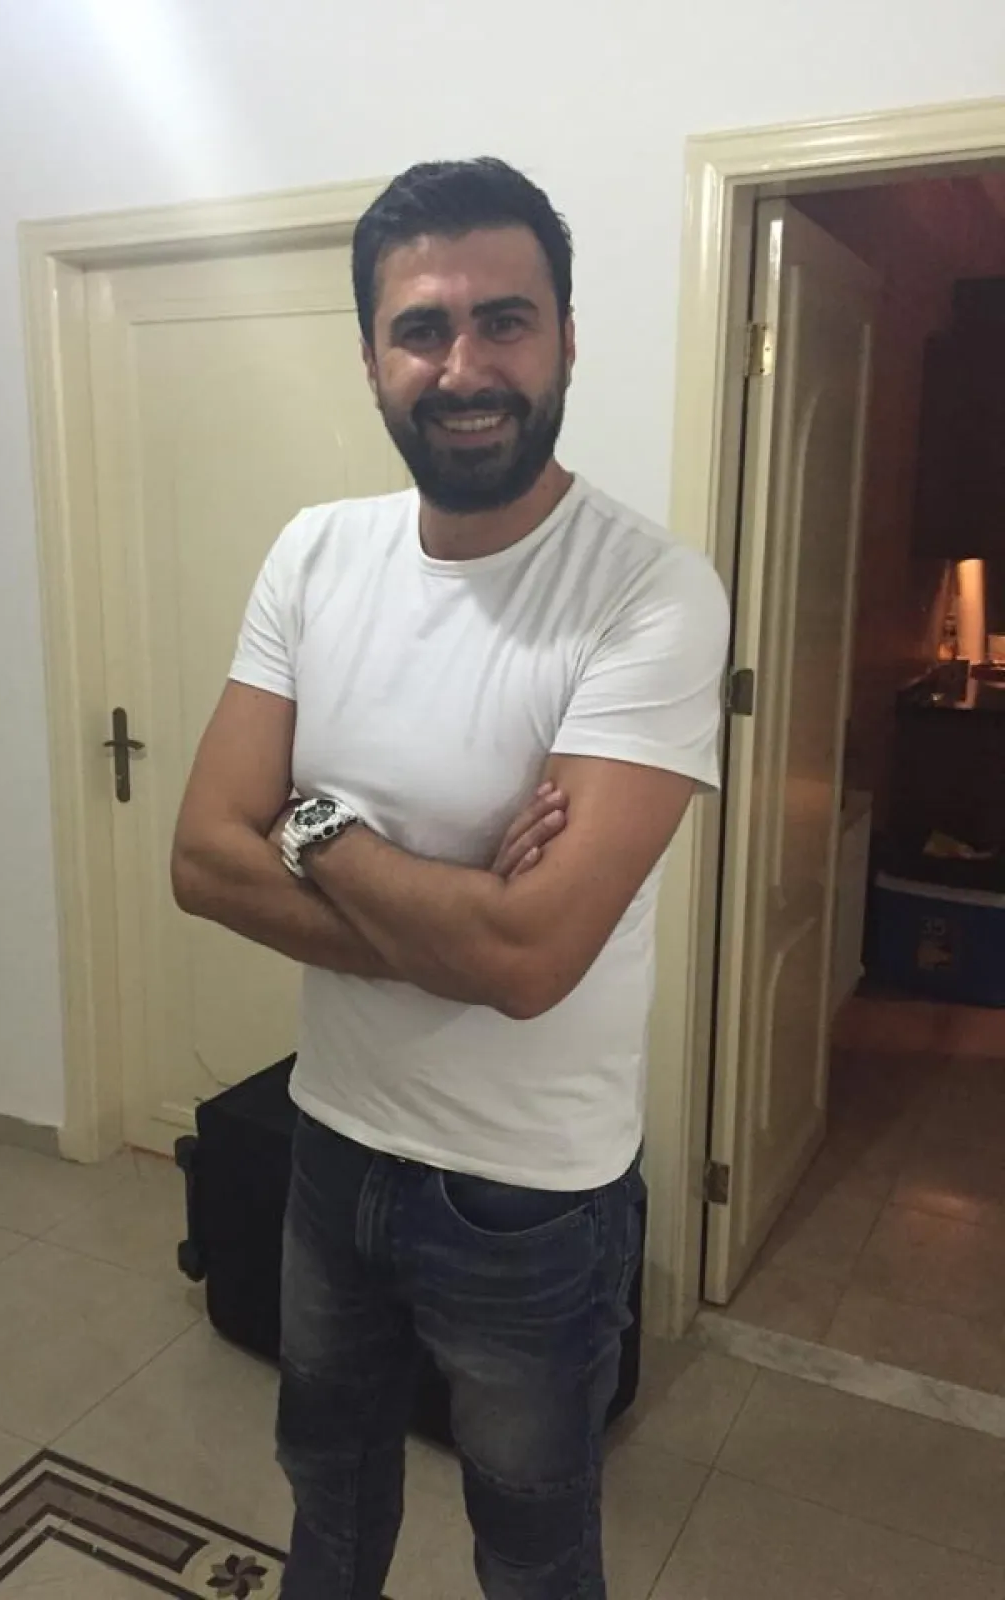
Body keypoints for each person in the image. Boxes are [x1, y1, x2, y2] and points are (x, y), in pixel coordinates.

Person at [171, 157, 729, 1600]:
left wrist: (312, 828)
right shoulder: (317, 552)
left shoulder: (650, 593)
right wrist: (456, 919)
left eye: (506, 320)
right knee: (326, 1495)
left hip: (529, 1197)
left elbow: (530, 966)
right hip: (333, 1136)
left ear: (566, 338)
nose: (465, 366)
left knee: (534, 1552)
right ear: (371, 355)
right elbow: (201, 857)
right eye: (421, 327)